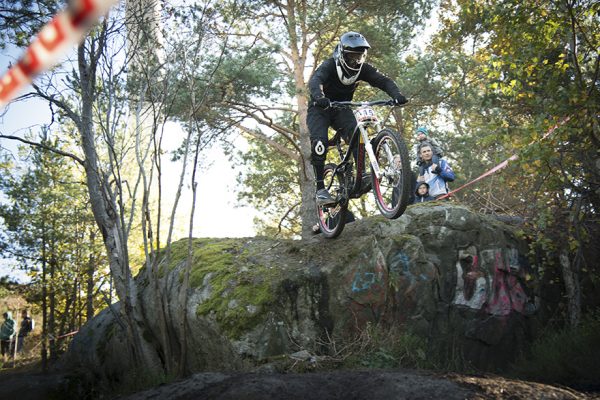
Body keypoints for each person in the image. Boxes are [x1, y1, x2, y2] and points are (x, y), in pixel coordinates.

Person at [307, 31, 408, 206]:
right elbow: (316, 81)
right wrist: (319, 97)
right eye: (352, 56)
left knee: (358, 137)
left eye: (359, 56)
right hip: (320, 108)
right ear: (341, 54)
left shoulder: (363, 69)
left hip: (342, 108)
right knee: (319, 143)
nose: (356, 60)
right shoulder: (329, 65)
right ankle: (321, 189)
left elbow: (383, 81)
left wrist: (397, 94)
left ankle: (360, 177)